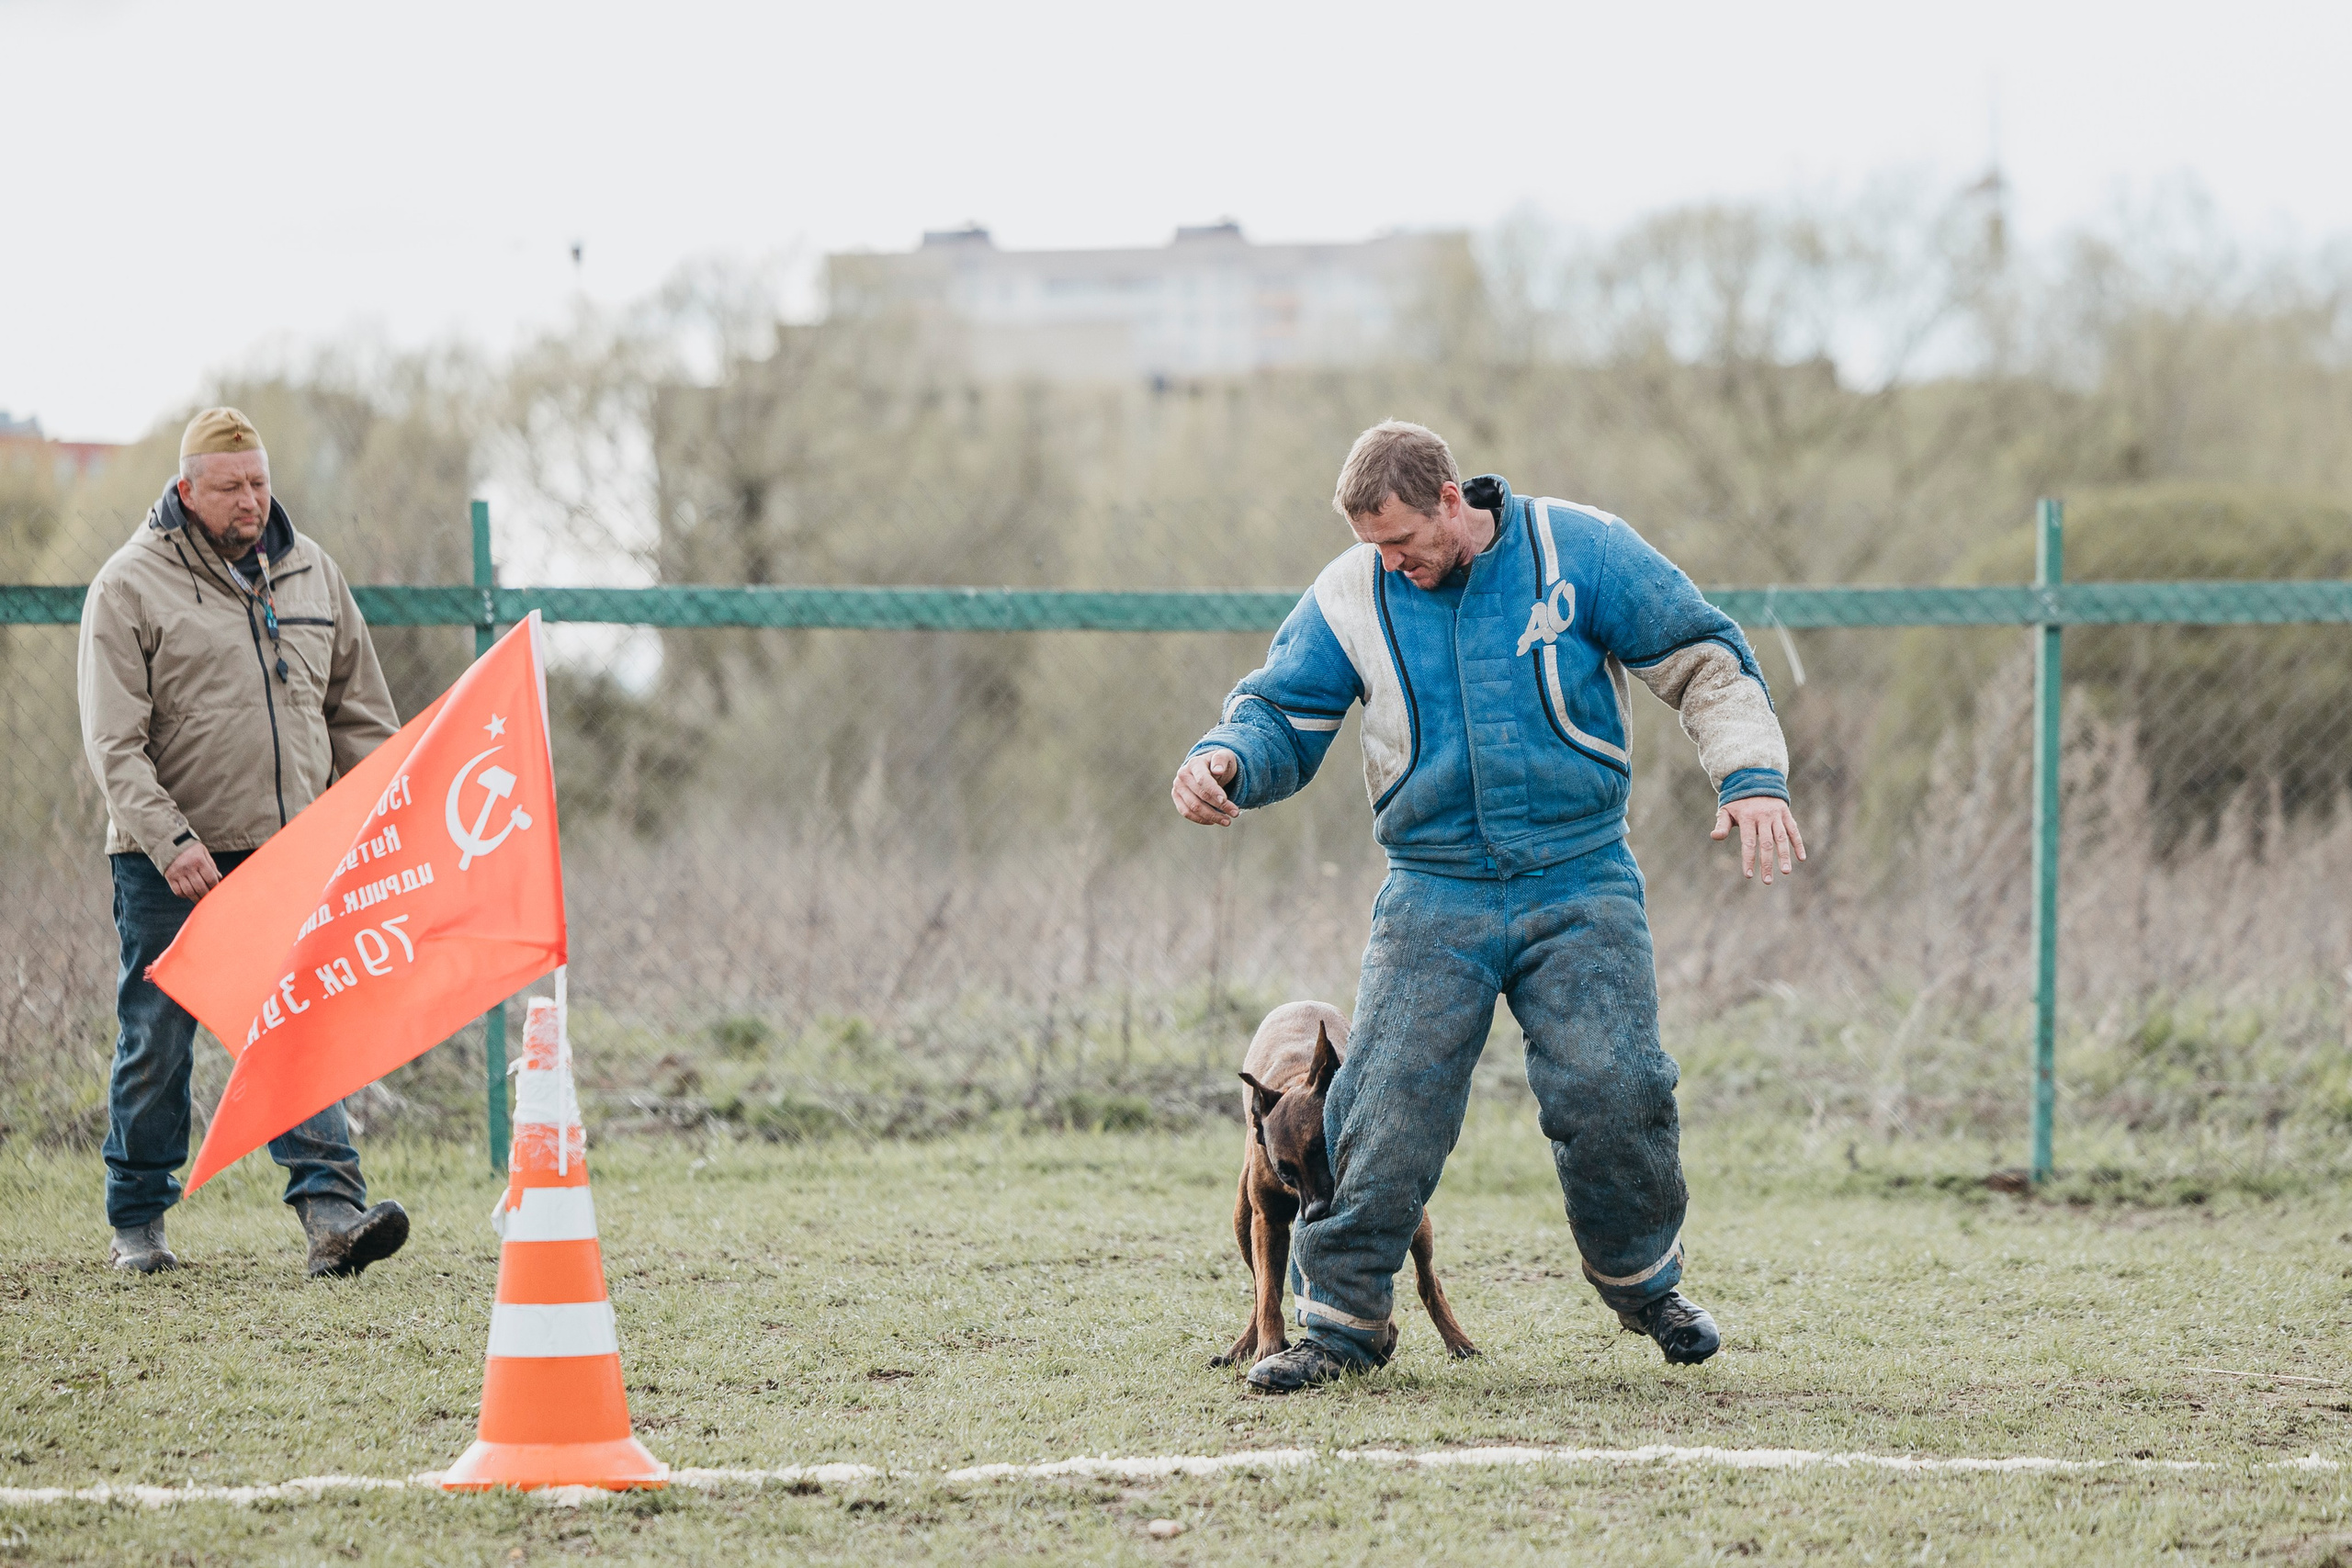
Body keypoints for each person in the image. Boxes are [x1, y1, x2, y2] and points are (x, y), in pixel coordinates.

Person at [1171, 421, 1805, 1393]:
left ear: (1451, 502)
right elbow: (1279, 712)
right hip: (1433, 888)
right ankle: (1341, 1326)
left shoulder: (1579, 549)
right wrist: (1222, 760)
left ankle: (1644, 1284)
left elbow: (1703, 657)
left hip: (1579, 875)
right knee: (1381, 1100)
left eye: (1402, 543)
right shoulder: (1350, 593)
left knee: (1615, 1086)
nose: (1390, 564)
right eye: (1371, 548)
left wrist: (1750, 775)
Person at [77, 407, 412, 1278]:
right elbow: (115, 746)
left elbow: (363, 716)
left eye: (260, 483)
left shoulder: (312, 575)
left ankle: (332, 1217)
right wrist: (171, 840)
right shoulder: (128, 585)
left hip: (287, 853)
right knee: (158, 1037)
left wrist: (372, 825)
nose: (250, 500)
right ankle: (138, 1223)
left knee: (297, 1027)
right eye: (230, 487)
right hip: (168, 862)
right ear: (187, 490)